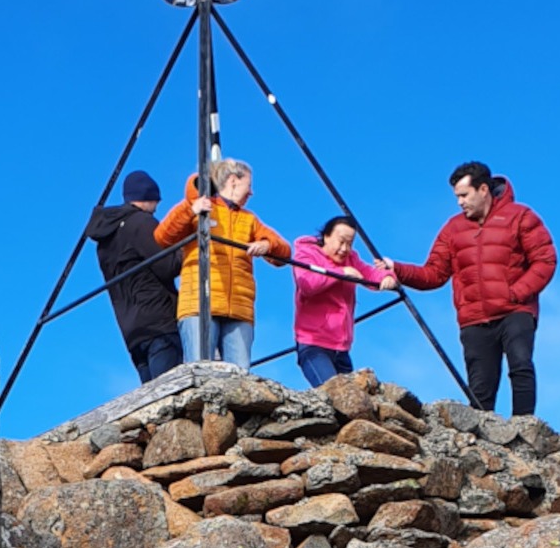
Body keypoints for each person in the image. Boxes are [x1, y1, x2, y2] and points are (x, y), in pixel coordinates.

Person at [385, 161, 557, 416]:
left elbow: (545, 260)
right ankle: (482, 440)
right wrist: (397, 269)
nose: (459, 202)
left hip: (515, 310)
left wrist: (516, 293)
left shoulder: (521, 216)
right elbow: (434, 273)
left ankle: (525, 427)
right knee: (480, 386)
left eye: (464, 195)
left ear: (484, 189)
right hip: (474, 318)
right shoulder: (453, 228)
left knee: (520, 366)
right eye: (457, 197)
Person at [154, 158, 291, 369]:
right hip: (200, 303)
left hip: (239, 307)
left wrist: (267, 244)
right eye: (249, 185)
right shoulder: (200, 207)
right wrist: (190, 209)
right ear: (234, 181)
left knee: (239, 377)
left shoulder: (249, 219)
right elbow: (163, 237)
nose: (251, 192)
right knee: (201, 371)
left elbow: (285, 251)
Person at [86, 171, 183, 383]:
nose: (157, 207)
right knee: (169, 391)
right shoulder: (141, 223)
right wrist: (186, 248)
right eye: (156, 201)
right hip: (159, 321)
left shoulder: (105, 238)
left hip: (130, 328)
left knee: (151, 396)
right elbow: (167, 266)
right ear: (149, 197)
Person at [291, 215, 398, 387]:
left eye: (349, 243)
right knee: (335, 395)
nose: (344, 248)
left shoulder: (351, 259)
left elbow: (369, 274)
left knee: (353, 402)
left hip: (342, 348)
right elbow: (308, 284)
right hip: (313, 344)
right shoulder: (306, 254)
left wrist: (387, 276)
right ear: (326, 237)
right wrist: (341, 273)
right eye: (341, 241)